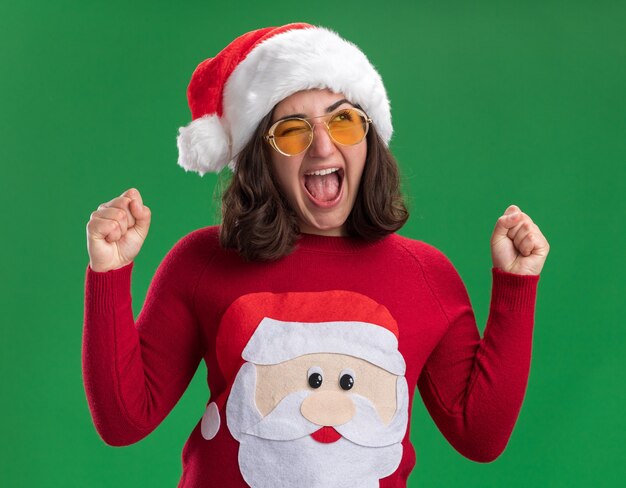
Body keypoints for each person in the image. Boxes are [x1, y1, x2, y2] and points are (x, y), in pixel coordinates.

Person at [83, 23, 550, 488]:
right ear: (260, 158)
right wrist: (109, 270)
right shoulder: (203, 262)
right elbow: (124, 422)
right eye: (292, 131)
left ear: (369, 138)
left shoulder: (426, 275)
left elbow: (480, 437)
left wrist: (515, 287)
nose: (323, 146)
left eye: (343, 121)